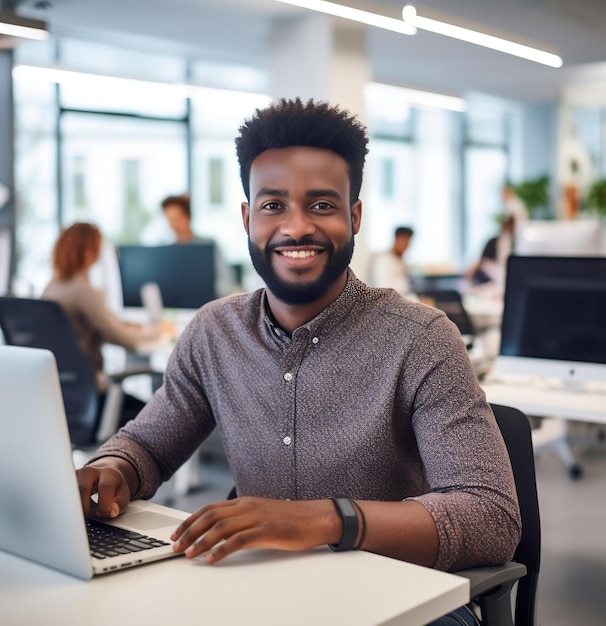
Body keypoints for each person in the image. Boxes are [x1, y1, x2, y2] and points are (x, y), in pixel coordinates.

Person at [78, 99, 520, 625]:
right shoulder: (215, 332)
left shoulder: (421, 339)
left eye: (322, 205)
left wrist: (327, 520)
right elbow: (148, 444)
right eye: (273, 206)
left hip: (394, 598)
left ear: (354, 216)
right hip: (259, 593)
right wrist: (112, 470)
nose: (296, 227)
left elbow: (491, 517)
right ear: (247, 217)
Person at [41, 222, 167, 426]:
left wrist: (131, 326)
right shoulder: (82, 290)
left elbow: (103, 323)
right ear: (90, 250)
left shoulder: (52, 287)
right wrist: (157, 331)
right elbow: (125, 340)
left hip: (62, 397)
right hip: (92, 399)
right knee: (159, 416)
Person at [161, 193, 239, 297]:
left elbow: (226, 279)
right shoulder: (167, 254)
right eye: (170, 220)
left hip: (209, 304)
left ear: (188, 217)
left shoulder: (208, 246)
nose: (174, 224)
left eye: (177, 218)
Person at [368, 225, 417, 298]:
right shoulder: (383, 261)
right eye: (404, 241)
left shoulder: (400, 260)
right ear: (397, 239)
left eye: (408, 242)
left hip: (405, 301)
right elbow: (386, 293)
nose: (406, 246)